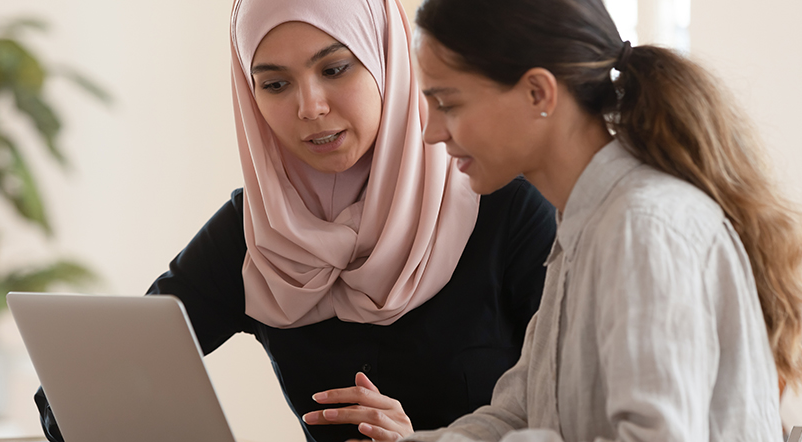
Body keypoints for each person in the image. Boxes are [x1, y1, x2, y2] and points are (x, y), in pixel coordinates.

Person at [34, 0, 557, 441]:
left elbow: (572, 415)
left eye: (334, 69)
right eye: (276, 85)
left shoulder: (503, 206)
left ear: (387, 60)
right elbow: (77, 391)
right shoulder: (259, 231)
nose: (309, 107)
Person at [398, 0, 802, 441]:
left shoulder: (642, 227)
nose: (432, 132)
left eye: (447, 104)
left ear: (538, 93)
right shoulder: (582, 223)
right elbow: (519, 415)